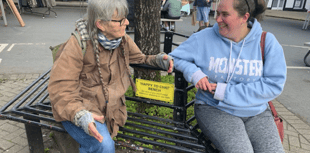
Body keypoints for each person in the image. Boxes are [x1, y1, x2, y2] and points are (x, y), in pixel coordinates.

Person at [47, 0, 174, 152]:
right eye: (120, 20)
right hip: (80, 110)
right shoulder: (78, 44)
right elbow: (61, 90)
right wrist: (80, 116)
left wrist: (159, 60)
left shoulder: (122, 40)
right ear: (100, 24)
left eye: (125, 18)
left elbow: (140, 58)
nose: (126, 22)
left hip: (111, 111)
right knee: (104, 145)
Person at [169, 0, 286, 152]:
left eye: (224, 15)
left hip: (256, 112)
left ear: (244, 17)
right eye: (217, 13)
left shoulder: (267, 42)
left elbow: (274, 85)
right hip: (215, 108)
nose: (217, 19)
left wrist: (225, 91)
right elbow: (175, 57)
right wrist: (195, 73)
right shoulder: (204, 37)